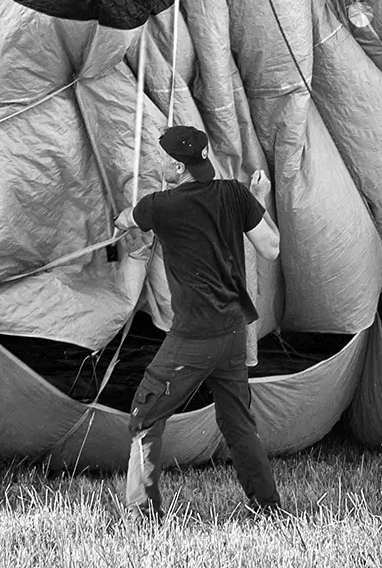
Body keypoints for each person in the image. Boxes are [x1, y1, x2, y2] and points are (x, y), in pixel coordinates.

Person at [113, 123, 284, 519]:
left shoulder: (161, 206)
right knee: (237, 422)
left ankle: (143, 515)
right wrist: (259, 200)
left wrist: (123, 224)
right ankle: (269, 509)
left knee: (145, 411)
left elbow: (126, 220)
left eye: (165, 162)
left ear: (176, 167)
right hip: (233, 332)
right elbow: (271, 249)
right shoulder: (235, 194)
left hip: (194, 336)